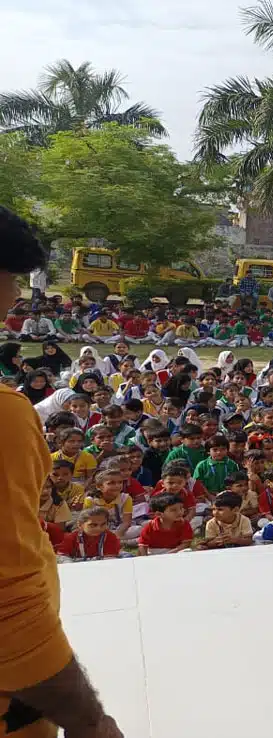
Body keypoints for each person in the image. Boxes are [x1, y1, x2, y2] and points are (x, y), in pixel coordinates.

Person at [0, 205, 125, 737]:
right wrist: (88, 721)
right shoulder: (4, 417)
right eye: (10, 279)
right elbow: (8, 606)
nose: (14, 298)